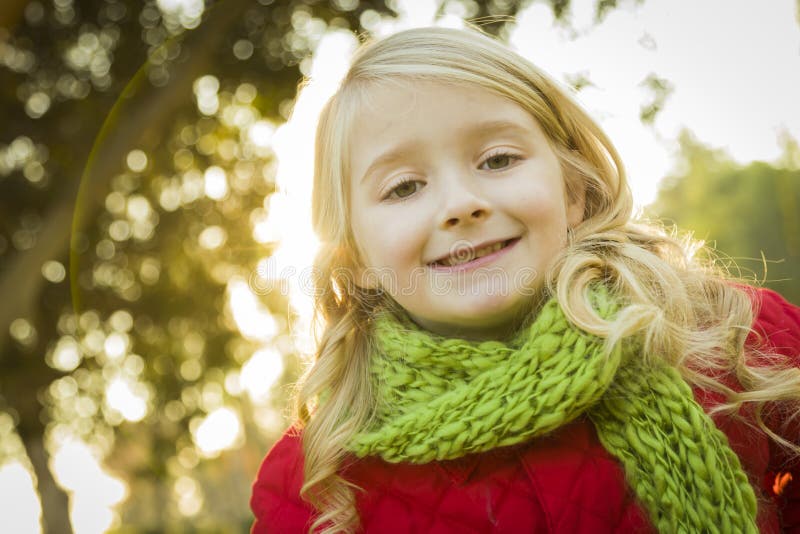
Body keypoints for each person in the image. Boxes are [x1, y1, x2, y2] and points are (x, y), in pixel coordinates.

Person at [250, 26, 800, 533]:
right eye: (403, 187)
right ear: (357, 259)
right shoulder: (315, 482)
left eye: (497, 160)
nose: (461, 205)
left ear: (573, 191)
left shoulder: (738, 338)